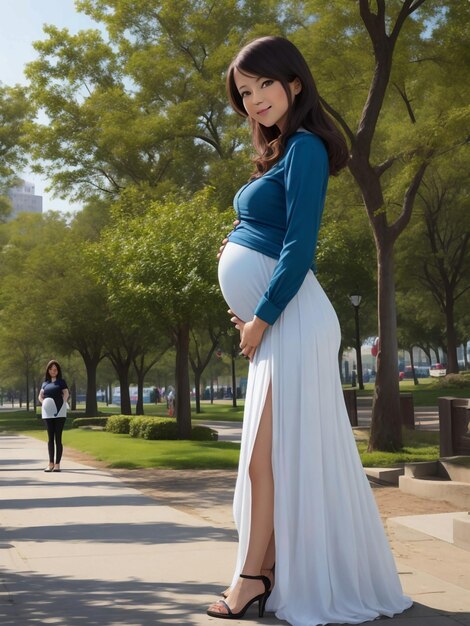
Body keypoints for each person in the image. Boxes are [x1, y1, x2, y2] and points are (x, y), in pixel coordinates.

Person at [207, 36, 412, 625]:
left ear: (293, 82)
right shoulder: (279, 153)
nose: (254, 101)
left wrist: (262, 315)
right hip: (275, 327)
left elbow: (299, 248)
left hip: (292, 322)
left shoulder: (307, 149)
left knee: (263, 461)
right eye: (244, 94)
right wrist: (240, 255)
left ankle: (252, 577)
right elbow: (271, 234)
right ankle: (264, 570)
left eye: (263, 85)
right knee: (275, 459)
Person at [38, 360, 69, 473]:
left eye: (55, 369)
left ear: (58, 370)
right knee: (50, 438)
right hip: (48, 413)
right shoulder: (45, 383)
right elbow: (40, 396)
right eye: (51, 369)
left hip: (59, 413)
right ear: (48, 370)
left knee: (58, 438)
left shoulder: (61, 382)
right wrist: (44, 403)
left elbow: (66, 393)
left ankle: (57, 464)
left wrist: (62, 404)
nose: (53, 371)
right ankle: (50, 463)